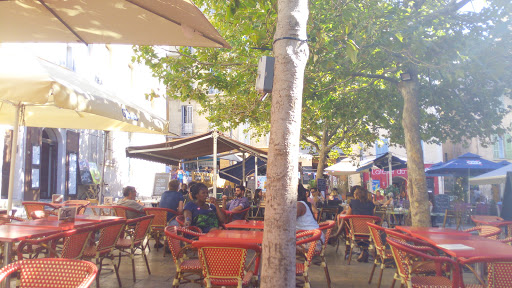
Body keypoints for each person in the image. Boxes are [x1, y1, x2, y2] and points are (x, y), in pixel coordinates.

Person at [342, 185, 375, 262]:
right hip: (369, 231)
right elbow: (372, 217)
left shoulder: (353, 202)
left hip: (355, 232)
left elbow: (347, 216)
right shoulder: (371, 204)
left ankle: (348, 249)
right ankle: (364, 250)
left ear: (356, 195)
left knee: (345, 223)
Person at [297, 184, 324, 248]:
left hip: (313, 242)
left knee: (282, 242)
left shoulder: (299, 205)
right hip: (315, 238)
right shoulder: (302, 203)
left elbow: (287, 222)